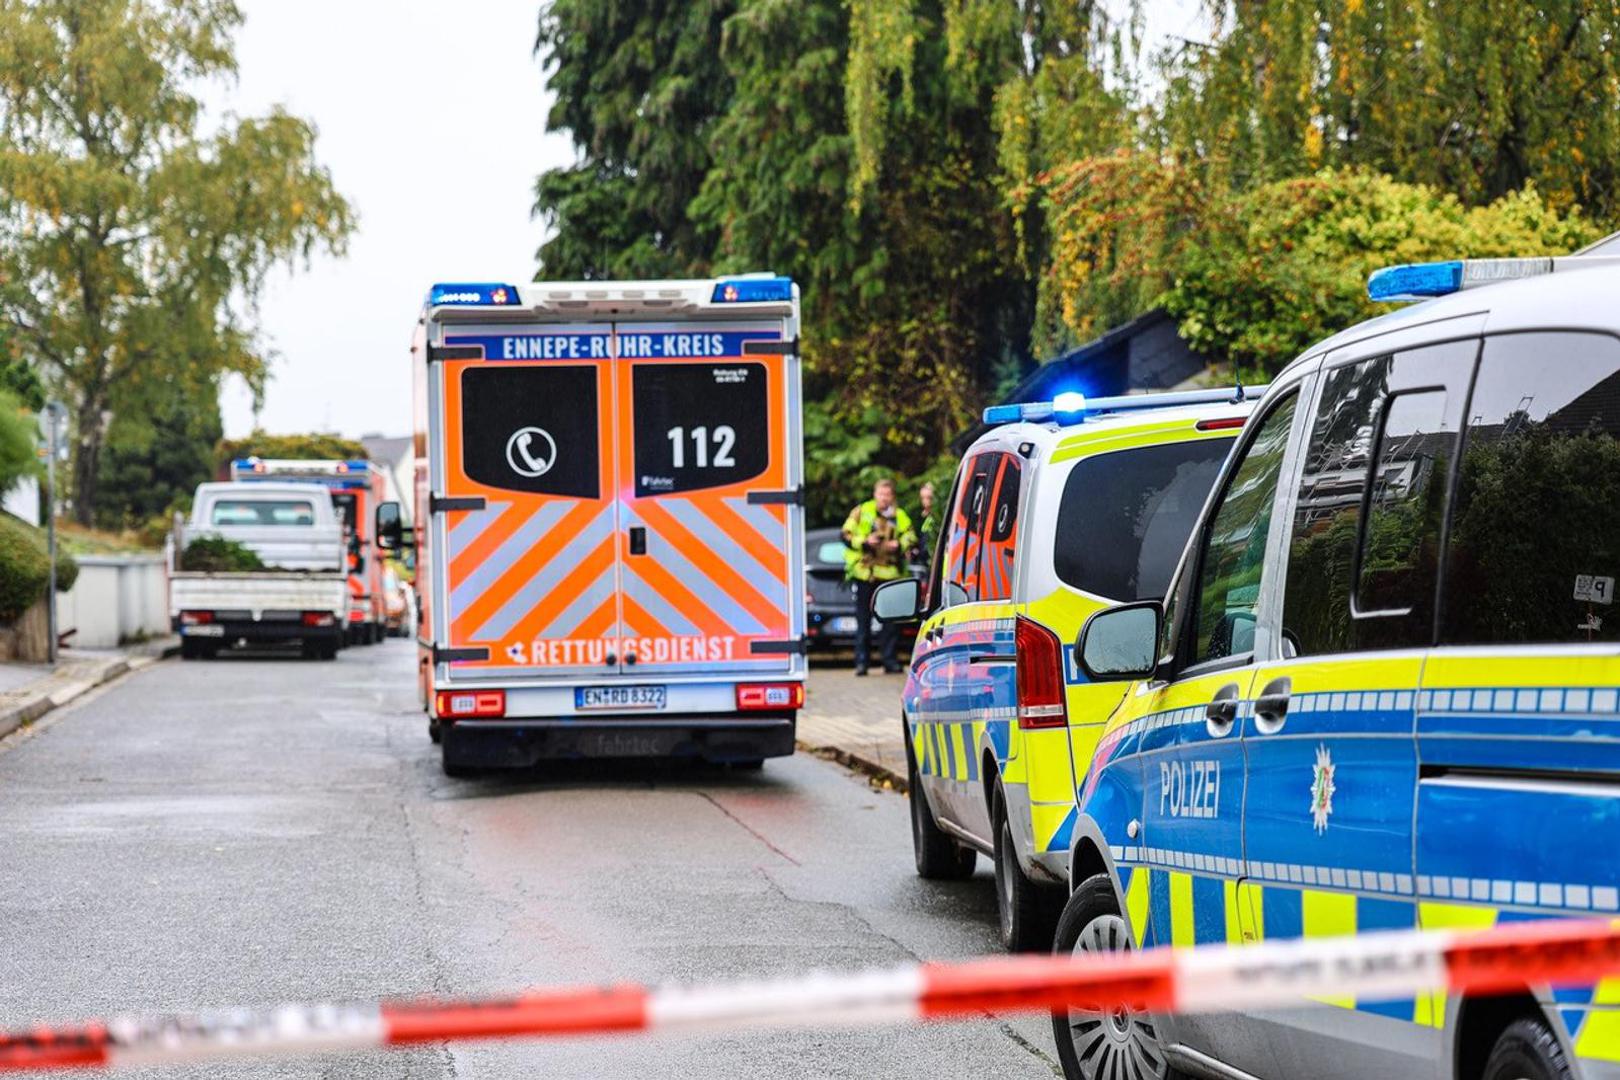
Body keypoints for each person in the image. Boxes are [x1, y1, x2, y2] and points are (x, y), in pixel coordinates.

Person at [841, 478, 917, 675]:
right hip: (866, 574)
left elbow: (911, 536)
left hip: (890, 575)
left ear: (892, 497)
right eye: (880, 494)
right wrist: (865, 542)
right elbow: (845, 535)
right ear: (875, 495)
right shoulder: (862, 511)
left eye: (887, 495)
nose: (884, 499)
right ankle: (861, 663)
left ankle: (890, 661)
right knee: (863, 621)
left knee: (890, 624)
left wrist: (900, 545)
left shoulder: (900, 515)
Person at [917, 481, 939, 564]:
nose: (925, 502)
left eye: (929, 498)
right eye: (922, 498)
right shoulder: (925, 518)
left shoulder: (938, 517)